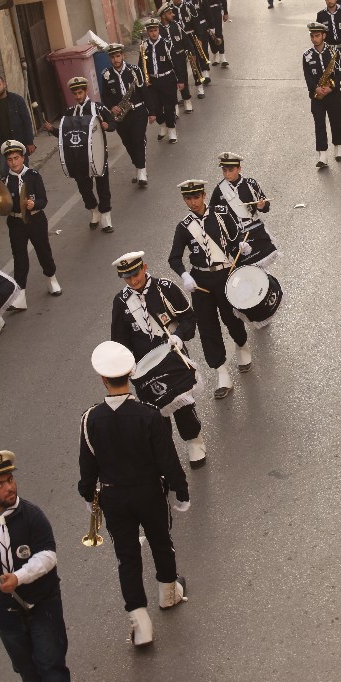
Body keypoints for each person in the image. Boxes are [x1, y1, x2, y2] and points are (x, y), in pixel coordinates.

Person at [79, 341, 190, 647]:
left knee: (126, 558)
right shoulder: (149, 414)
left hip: (114, 498)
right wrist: (180, 488)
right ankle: (169, 595)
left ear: (103, 379)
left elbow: (87, 466)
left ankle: (141, 627)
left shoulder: (90, 419)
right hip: (148, 492)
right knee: (160, 543)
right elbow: (167, 459)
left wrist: (89, 496)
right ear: (130, 374)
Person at [0, 450, 73, 682]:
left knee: (51, 663)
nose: (9, 488)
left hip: (43, 603)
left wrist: (18, 577)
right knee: (25, 666)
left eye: (10, 480)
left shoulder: (32, 515)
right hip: (6, 611)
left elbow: (48, 555)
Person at [110, 251, 206, 467]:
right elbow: (119, 340)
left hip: (173, 357)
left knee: (182, 405)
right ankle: (165, 456)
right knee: (154, 416)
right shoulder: (121, 302)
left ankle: (194, 441)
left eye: (136, 274)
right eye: (128, 277)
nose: (133, 281)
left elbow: (189, 318)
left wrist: (179, 337)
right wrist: (128, 367)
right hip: (145, 369)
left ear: (144, 267)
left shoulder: (165, 288)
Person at [168, 179, 252, 399]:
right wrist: (185, 275)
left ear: (204, 195)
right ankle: (221, 372)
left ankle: (242, 345)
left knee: (232, 317)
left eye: (196, 197)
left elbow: (235, 238)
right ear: (184, 199)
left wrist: (241, 247)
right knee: (207, 328)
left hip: (224, 274)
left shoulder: (222, 213)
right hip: (201, 282)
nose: (193, 202)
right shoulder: (184, 226)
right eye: (188, 198)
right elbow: (174, 258)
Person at [44, 77, 115, 232]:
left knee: (103, 186)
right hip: (78, 158)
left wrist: (107, 125)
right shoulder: (69, 112)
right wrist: (52, 130)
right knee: (84, 188)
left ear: (86, 91)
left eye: (80, 92)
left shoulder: (99, 107)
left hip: (99, 155)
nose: (78, 96)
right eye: (75, 93)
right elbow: (66, 135)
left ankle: (106, 218)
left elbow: (113, 123)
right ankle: (94, 211)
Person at [1, 139, 60, 310]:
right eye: (10, 159)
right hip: (16, 222)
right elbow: (1, 204)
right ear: (6, 161)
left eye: (16, 158)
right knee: (20, 258)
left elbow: (43, 199)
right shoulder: (4, 181)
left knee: (43, 251)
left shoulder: (33, 176)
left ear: (23, 158)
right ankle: (20, 296)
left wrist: (35, 204)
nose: (14, 162)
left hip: (35, 219)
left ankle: (51, 279)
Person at [210, 152, 278, 267]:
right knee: (246, 269)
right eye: (224, 170)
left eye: (231, 170)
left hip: (255, 230)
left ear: (239, 169)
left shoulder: (250, 184)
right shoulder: (219, 190)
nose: (227, 174)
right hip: (236, 236)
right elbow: (212, 212)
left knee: (261, 267)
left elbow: (266, 207)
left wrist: (261, 206)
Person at [100, 43, 152, 186]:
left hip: (138, 111)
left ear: (123, 55)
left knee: (137, 140)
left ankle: (142, 171)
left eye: (118, 56)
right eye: (112, 57)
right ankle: (137, 166)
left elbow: (144, 91)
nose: (116, 59)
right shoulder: (106, 75)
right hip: (121, 116)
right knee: (128, 143)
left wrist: (152, 112)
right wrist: (112, 106)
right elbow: (105, 96)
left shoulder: (134, 70)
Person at [303, 21, 341, 168]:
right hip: (317, 96)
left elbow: (339, 73)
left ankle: (339, 148)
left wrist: (331, 87)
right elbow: (307, 75)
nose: (314, 39)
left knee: (336, 120)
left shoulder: (334, 52)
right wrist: (315, 88)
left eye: (317, 36)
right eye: (312, 36)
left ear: (323, 35)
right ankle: (322, 155)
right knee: (319, 124)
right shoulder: (307, 55)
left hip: (332, 94)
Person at [142, 17, 184, 142]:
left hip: (167, 79)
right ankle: (162, 125)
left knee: (169, 106)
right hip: (153, 82)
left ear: (158, 30)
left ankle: (171, 130)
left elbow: (176, 62)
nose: (153, 33)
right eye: (151, 31)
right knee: (155, 108)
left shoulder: (167, 43)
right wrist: (144, 80)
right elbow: (142, 65)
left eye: (155, 30)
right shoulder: (144, 46)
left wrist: (180, 79)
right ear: (147, 32)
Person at [0, 76, 35, 179]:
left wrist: (30, 142)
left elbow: (26, 121)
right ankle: (9, 194)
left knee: (23, 171)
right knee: (3, 171)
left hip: (18, 141)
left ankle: (26, 193)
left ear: (4, 84)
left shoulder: (17, 100)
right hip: (1, 144)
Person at [158, 0, 193, 115]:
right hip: (167, 61)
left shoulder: (176, 26)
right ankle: (175, 107)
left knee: (183, 79)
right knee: (171, 84)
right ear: (163, 16)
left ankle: (187, 100)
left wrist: (191, 51)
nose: (172, 14)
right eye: (169, 13)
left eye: (172, 12)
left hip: (179, 57)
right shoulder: (158, 29)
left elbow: (185, 39)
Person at [195, 0, 229, 69]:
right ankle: (215, 55)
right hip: (203, 14)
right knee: (209, 34)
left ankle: (222, 56)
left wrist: (225, 12)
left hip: (215, 10)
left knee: (218, 33)